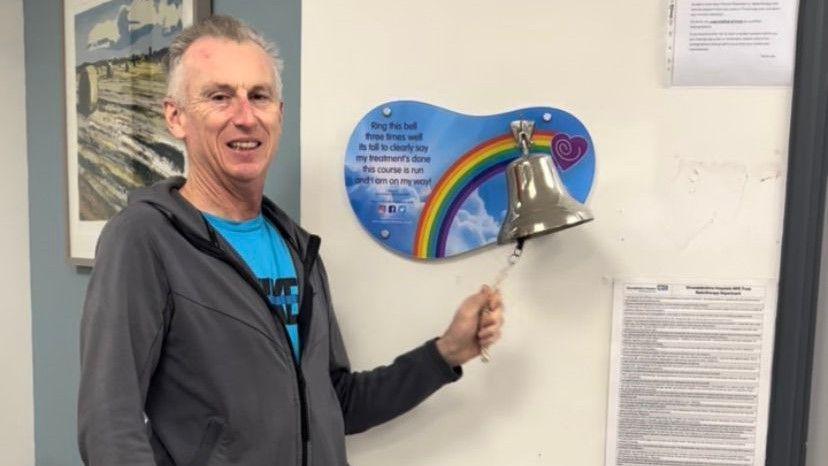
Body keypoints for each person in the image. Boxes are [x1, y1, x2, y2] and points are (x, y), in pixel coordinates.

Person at [77, 15, 504, 466]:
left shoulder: (297, 248)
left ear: (278, 114)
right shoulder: (144, 238)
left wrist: (445, 353)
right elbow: (108, 427)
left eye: (259, 96)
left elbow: (336, 403)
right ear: (176, 117)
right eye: (219, 97)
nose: (245, 117)